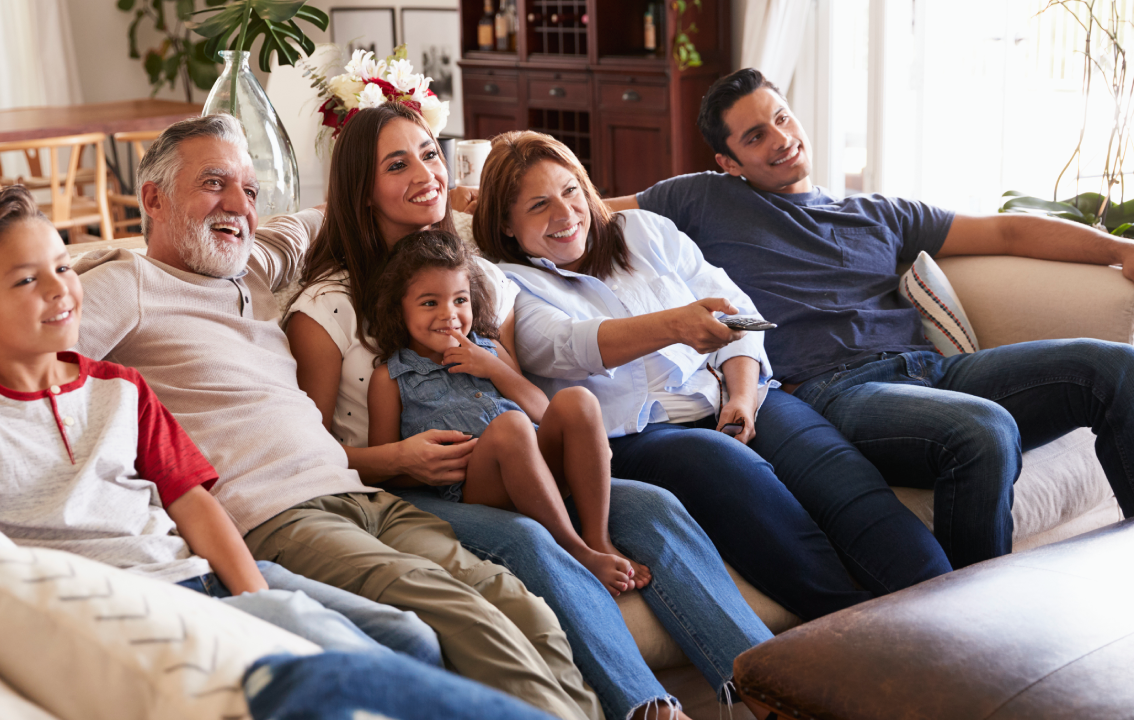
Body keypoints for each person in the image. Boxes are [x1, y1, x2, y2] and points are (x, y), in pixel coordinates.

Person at [0, 114, 597, 720]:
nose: (236, 205)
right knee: (456, 614)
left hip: (360, 494)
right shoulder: (128, 283)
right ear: (152, 200)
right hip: (277, 514)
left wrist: (456, 194)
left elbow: (326, 212)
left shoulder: (253, 264)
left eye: (247, 189)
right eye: (212, 185)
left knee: (514, 599)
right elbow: (16, 340)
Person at [287, 102, 773, 720]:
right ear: (361, 190)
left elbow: (512, 396)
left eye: (431, 154)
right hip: (418, 493)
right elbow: (304, 453)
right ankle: (647, 707)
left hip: (520, 461)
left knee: (654, 504)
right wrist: (396, 456)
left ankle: (772, 686)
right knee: (525, 540)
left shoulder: (481, 280)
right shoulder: (325, 308)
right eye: (397, 164)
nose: (426, 172)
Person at [612, 67, 1134, 568]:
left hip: (933, 373)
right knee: (984, 429)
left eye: (783, 117)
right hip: (835, 393)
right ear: (730, 162)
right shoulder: (702, 198)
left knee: (1117, 367)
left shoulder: (880, 212)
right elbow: (582, 214)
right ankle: (974, 634)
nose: (780, 138)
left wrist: (1119, 249)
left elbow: (1006, 233)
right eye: (755, 136)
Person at [473, 130, 953, 622]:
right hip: (640, 436)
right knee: (730, 468)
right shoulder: (509, 284)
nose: (565, 213)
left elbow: (738, 311)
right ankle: (855, 630)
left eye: (570, 190)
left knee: (839, 475)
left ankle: (948, 611)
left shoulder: (643, 231)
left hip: (728, 395)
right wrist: (673, 324)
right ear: (506, 224)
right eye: (538, 205)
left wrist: (742, 397)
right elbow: (568, 345)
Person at [0, 184, 404, 658]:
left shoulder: (122, 387)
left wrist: (256, 601)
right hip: (125, 614)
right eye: (26, 279)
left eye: (63, 266)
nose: (60, 289)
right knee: (340, 671)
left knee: (405, 635)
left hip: (200, 573)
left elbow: (192, 503)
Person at [365, 229, 648, 595]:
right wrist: (423, 465)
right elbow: (386, 467)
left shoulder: (491, 351)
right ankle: (574, 550)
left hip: (538, 468)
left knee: (577, 399)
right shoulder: (390, 378)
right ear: (398, 308)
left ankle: (598, 539)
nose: (449, 315)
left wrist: (494, 367)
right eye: (429, 303)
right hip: (476, 488)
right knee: (511, 425)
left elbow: (544, 413)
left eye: (460, 300)